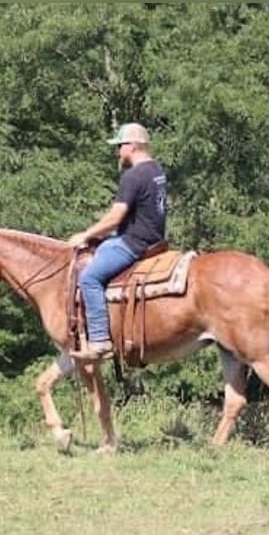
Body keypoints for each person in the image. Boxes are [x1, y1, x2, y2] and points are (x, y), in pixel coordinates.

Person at [67, 122, 168, 360]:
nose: (118, 151)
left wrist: (86, 234)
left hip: (134, 243)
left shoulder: (133, 176)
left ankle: (100, 340)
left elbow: (115, 217)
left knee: (89, 278)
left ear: (133, 146)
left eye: (120, 145)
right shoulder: (156, 170)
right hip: (154, 239)